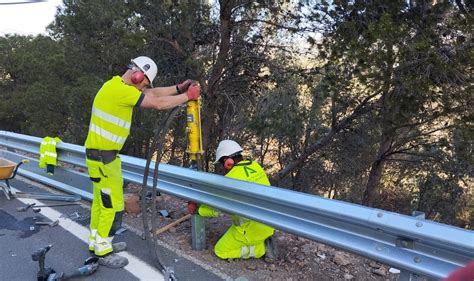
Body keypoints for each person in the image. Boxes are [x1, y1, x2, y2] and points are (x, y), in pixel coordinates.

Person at [84, 56, 200, 268]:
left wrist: (177, 88)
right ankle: (102, 249)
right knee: (113, 205)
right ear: (138, 75)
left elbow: (152, 93)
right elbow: (156, 103)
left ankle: (96, 241)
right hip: (103, 158)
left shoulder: (115, 85)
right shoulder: (120, 91)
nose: (144, 87)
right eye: (145, 82)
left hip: (101, 157)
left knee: (101, 203)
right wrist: (186, 96)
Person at [189, 140, 276, 260]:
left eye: (221, 163)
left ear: (228, 162)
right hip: (271, 222)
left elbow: (217, 210)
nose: (223, 168)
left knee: (221, 251)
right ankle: (262, 238)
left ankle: (260, 249)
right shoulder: (254, 165)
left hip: (250, 229)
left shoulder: (231, 180)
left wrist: (199, 211)